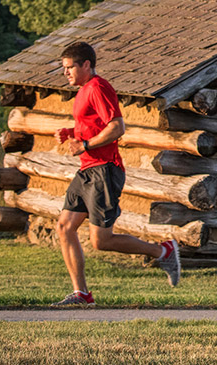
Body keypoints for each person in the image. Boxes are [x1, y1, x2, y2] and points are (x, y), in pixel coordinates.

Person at [49, 41, 181, 307]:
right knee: (64, 228)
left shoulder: (98, 87)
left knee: (101, 240)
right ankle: (82, 294)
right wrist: (72, 134)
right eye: (63, 68)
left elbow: (117, 127)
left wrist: (84, 144)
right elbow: (95, 126)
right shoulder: (84, 90)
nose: (66, 73)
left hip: (104, 171)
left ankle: (162, 250)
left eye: (69, 67)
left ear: (86, 64)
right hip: (87, 170)